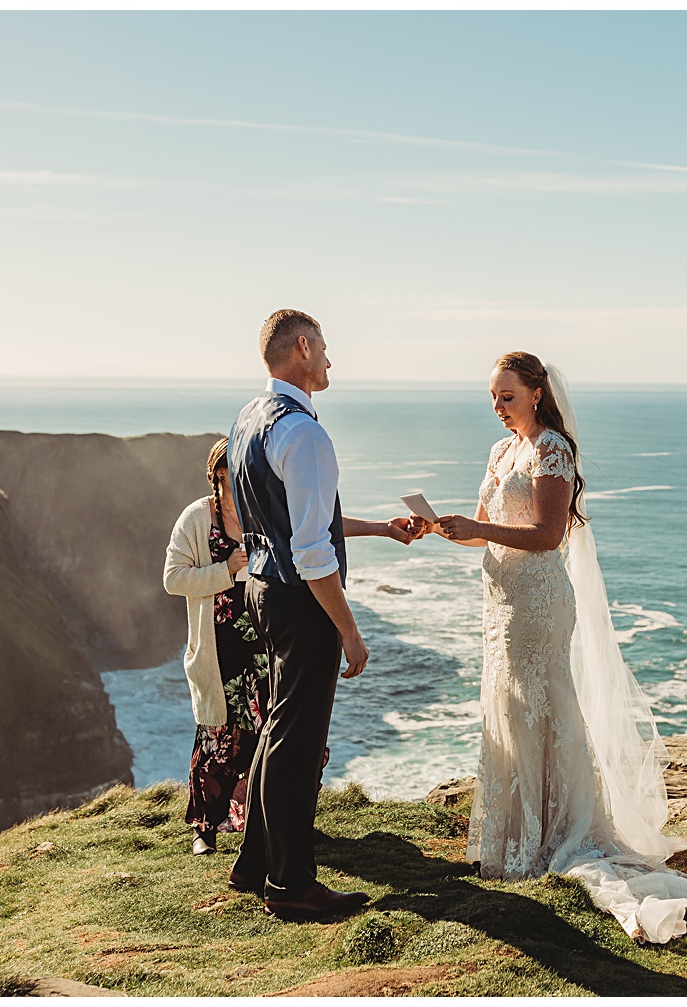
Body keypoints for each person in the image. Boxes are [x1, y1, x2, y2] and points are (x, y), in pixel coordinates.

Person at [424, 351, 687, 944]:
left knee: (542, 710)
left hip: (539, 602)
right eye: (493, 399)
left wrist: (481, 531)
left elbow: (547, 536)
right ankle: (511, 841)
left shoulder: (552, 450)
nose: (498, 409)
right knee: (510, 710)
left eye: (508, 398)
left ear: (537, 395)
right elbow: (483, 527)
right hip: (500, 600)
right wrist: (447, 527)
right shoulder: (501, 452)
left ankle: (554, 836)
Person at [225, 308, 422, 922]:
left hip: (262, 589)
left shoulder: (248, 420)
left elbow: (291, 526)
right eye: (327, 349)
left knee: (278, 730)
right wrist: (349, 630)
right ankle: (291, 885)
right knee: (299, 741)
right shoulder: (306, 433)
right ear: (303, 348)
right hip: (300, 599)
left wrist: (379, 531)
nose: (332, 360)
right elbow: (312, 553)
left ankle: (256, 862)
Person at [162, 437, 268, 855]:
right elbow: (173, 578)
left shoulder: (263, 510)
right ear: (221, 473)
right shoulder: (196, 518)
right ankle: (205, 830)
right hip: (219, 650)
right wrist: (224, 570)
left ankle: (264, 821)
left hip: (264, 644)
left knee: (268, 734)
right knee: (218, 739)